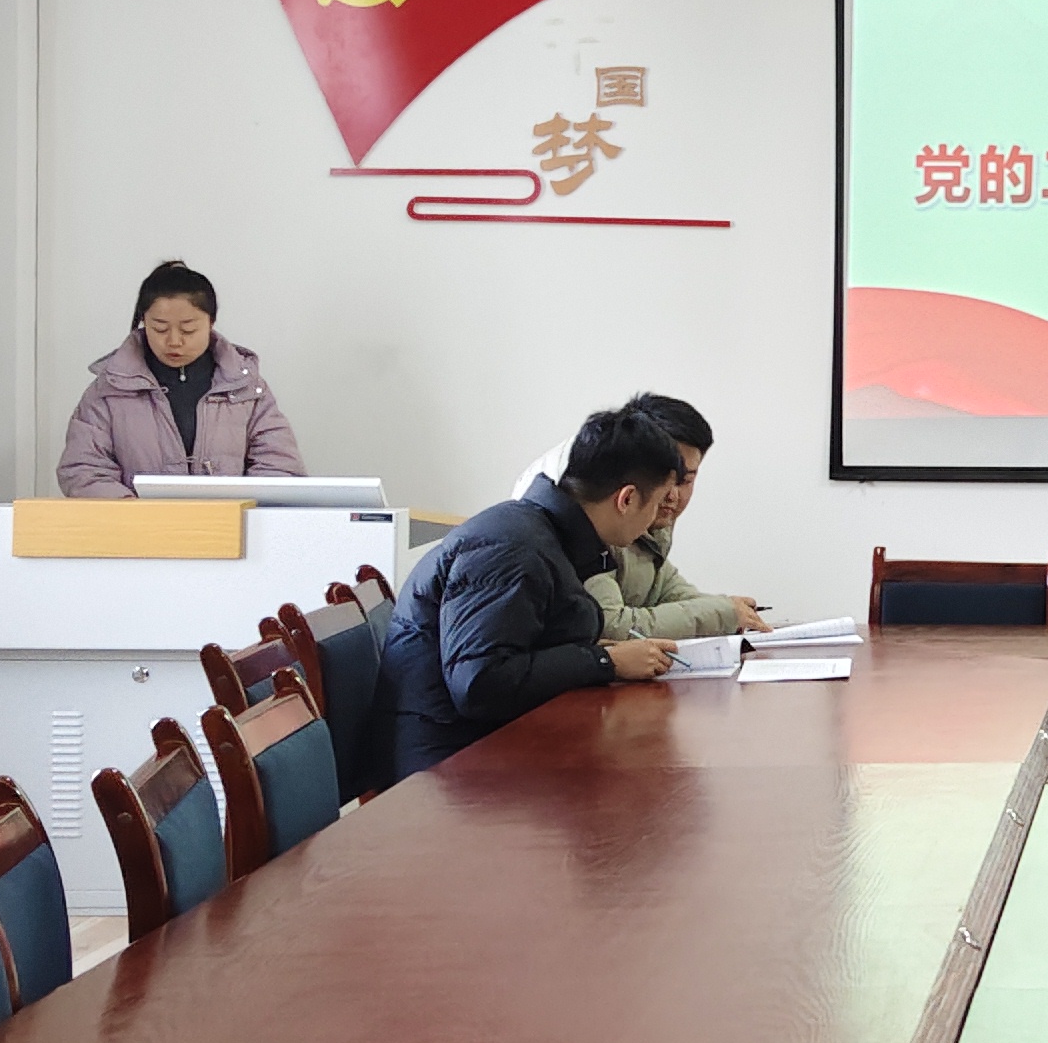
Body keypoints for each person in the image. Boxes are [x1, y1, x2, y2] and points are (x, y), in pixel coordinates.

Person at [381, 406, 691, 781]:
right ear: (626, 499)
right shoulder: (513, 549)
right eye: (656, 504)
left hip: (487, 747)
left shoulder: (546, 536)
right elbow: (480, 683)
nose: (656, 519)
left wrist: (601, 653)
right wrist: (603, 661)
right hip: (448, 773)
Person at [56, 259, 305, 498]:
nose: (174, 341)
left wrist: (239, 511)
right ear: (143, 321)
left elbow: (279, 466)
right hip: (136, 525)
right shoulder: (109, 389)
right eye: (160, 328)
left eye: (188, 329)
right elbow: (83, 469)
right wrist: (133, 511)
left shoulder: (246, 388)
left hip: (225, 524)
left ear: (211, 322)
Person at [577, 396, 765, 642]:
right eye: (665, 479)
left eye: (685, 481)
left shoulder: (656, 522)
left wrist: (728, 609)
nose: (672, 495)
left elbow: (663, 589)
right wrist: (721, 613)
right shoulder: (597, 518)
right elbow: (611, 626)